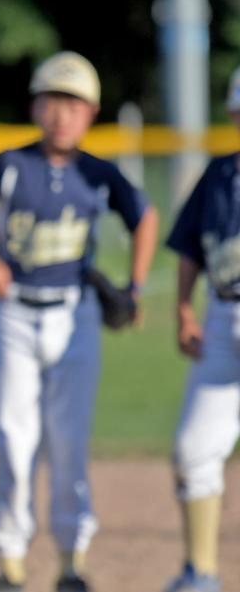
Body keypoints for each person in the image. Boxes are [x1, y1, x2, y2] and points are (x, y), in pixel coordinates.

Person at [0, 51, 158, 592]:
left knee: (68, 441)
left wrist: (135, 286)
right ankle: (10, 562)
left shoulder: (98, 173)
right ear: (36, 105)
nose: (62, 113)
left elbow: (145, 216)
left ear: (92, 112)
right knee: (15, 436)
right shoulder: (12, 165)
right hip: (15, 314)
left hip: (75, 315)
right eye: (52, 100)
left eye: (74, 103)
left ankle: (70, 560)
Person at [161, 67, 240, 592]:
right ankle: (201, 574)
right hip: (221, 314)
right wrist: (184, 311)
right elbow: (191, 246)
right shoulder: (218, 175)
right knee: (194, 449)